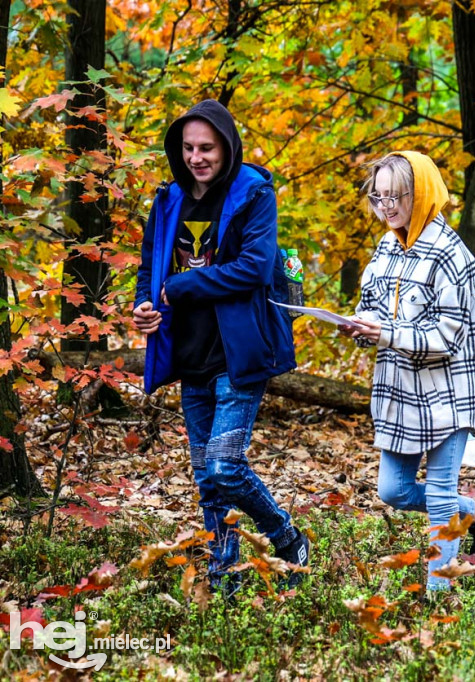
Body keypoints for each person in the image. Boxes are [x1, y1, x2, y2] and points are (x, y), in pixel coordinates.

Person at [132, 99, 309, 593]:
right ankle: (222, 573)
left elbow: (254, 267)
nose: (196, 157)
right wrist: (145, 304)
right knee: (207, 478)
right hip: (190, 355)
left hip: (238, 351)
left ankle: (285, 536)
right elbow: (151, 267)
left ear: (226, 147)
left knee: (225, 467)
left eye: (206, 147)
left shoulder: (254, 194)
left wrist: (182, 287)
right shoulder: (168, 199)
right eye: (187, 147)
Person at [337, 151, 475, 592]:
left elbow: (446, 336)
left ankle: (439, 593)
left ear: (424, 194)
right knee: (392, 490)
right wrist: (360, 327)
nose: (386, 206)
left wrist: (386, 331)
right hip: (398, 393)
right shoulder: (387, 245)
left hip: (446, 394)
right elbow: (373, 308)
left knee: (437, 491)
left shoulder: (454, 257)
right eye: (378, 197)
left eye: (396, 196)